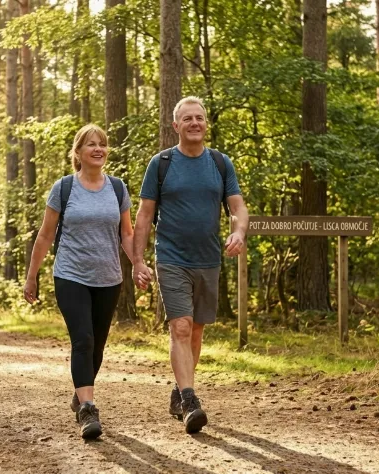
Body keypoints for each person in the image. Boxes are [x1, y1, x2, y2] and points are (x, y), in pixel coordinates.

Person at [132, 96, 249, 434]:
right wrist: (138, 261)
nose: (195, 123)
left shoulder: (220, 162)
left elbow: (238, 208)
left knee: (196, 330)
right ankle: (190, 400)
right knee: (180, 327)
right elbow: (144, 215)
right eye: (188, 119)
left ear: (206, 123)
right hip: (171, 257)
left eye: (199, 118)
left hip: (208, 258)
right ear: (176, 125)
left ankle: (179, 392)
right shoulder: (162, 163)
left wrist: (238, 232)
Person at [23, 124, 136, 440]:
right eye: (90, 144)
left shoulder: (117, 188)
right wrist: (31, 277)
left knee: (97, 345)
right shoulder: (64, 188)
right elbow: (46, 235)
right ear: (78, 152)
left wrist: (139, 262)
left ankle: (80, 390)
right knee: (83, 339)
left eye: (102, 144)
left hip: (109, 277)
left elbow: (126, 234)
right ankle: (88, 408)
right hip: (70, 275)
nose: (98, 148)